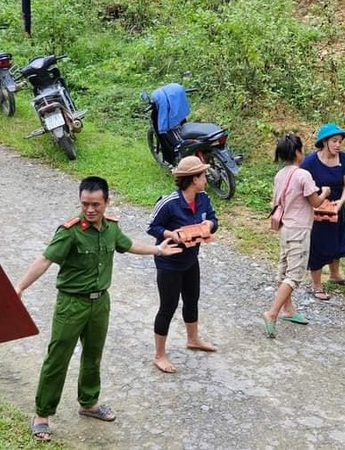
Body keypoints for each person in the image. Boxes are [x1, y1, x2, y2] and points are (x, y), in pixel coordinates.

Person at [15, 176, 181, 442]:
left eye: (95, 204)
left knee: (93, 355)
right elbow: (46, 259)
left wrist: (158, 250)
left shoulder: (111, 228)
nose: (90, 210)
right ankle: (42, 414)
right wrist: (20, 287)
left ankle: (89, 403)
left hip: (100, 302)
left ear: (106, 202)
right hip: (71, 303)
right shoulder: (70, 231)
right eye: (85, 204)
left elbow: (128, 245)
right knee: (58, 358)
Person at [147, 156, 219, 373]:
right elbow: (152, 226)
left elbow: (214, 220)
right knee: (167, 307)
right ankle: (159, 355)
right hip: (169, 263)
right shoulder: (169, 203)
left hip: (190, 259)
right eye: (203, 175)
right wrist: (172, 234)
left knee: (192, 299)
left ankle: (193, 339)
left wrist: (210, 224)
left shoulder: (203, 199)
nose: (206, 178)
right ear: (193, 179)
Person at [262, 134, 331, 338]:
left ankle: (288, 310)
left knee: (283, 269)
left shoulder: (280, 174)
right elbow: (316, 202)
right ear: (297, 152)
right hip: (299, 230)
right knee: (294, 274)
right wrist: (325, 192)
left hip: (284, 228)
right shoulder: (303, 175)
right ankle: (272, 313)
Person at [300, 122, 345, 300]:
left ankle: (335, 274)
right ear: (324, 142)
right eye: (334, 141)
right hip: (317, 206)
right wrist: (316, 199)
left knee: (338, 241)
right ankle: (316, 283)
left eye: (340, 141)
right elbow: (300, 182)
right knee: (318, 244)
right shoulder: (310, 161)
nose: (338, 145)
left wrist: (341, 202)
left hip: (337, 206)